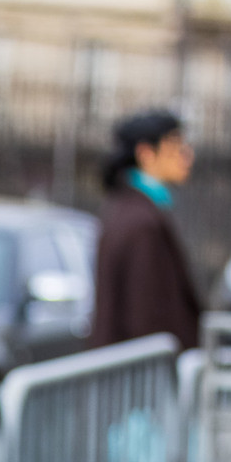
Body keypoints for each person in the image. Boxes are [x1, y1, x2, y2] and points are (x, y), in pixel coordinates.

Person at [91, 107, 200, 350]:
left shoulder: (132, 209)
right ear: (146, 153)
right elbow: (145, 315)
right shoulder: (141, 222)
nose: (187, 156)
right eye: (176, 148)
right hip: (141, 376)